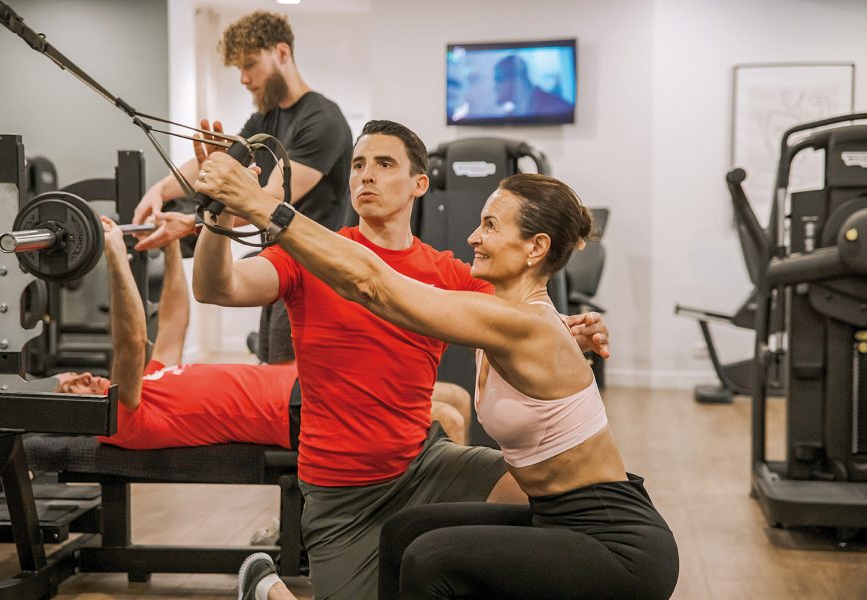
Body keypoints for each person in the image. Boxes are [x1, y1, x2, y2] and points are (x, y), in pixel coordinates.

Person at [198, 133, 676, 600]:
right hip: (355, 486)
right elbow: (227, 287)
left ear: (535, 249)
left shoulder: (497, 310)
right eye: (359, 165)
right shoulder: (503, 312)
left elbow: (371, 284)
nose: (473, 236)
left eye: (489, 225)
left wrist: (265, 208)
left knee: (432, 558)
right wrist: (222, 210)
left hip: (611, 535)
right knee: (408, 535)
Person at [54, 216, 468, 449]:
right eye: (70, 389)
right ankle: (448, 529)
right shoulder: (121, 418)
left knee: (455, 396)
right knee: (444, 415)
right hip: (299, 411)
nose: (82, 378)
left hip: (306, 381)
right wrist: (113, 254)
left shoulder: (153, 378)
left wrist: (168, 247)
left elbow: (174, 320)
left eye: (72, 376)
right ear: (71, 418)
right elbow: (129, 340)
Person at [131, 10, 353, 367]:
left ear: (282, 53)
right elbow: (219, 158)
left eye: (250, 65)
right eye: (239, 68)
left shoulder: (322, 120)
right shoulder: (267, 117)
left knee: (289, 387)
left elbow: (269, 202)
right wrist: (160, 191)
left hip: (313, 277)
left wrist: (190, 225)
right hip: (278, 266)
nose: (244, 79)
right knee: (269, 372)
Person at [493, 54, 574, 119]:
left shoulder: (559, 109)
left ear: (516, 79)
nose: (495, 88)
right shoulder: (511, 114)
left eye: (498, 79)